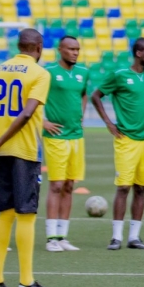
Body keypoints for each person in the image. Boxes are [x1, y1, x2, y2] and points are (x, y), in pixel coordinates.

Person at [0, 28, 57, 287]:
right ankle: (27, 281)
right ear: (39, 47)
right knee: (26, 214)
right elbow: (26, 113)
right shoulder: (40, 73)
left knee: (5, 213)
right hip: (24, 151)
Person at [91, 38, 144, 251]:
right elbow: (96, 96)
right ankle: (116, 237)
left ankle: (134, 237)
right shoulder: (120, 76)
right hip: (126, 140)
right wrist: (109, 123)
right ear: (138, 53)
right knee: (124, 187)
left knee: (141, 188)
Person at [42, 36, 89, 252]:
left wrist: (82, 114)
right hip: (56, 137)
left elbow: (83, 94)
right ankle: (51, 237)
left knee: (70, 185)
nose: (75, 52)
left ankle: (63, 236)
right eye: (70, 49)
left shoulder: (83, 73)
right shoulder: (48, 72)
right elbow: (30, 97)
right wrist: (43, 121)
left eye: (77, 49)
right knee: (56, 185)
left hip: (76, 136)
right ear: (60, 49)